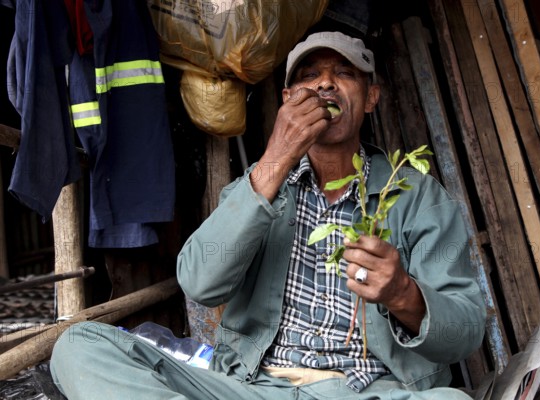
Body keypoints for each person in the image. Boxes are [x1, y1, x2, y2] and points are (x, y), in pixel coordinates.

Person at [50, 31, 486, 399]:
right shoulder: (254, 188)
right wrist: (275, 159)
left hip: (371, 392)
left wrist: (403, 294)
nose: (325, 86)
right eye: (309, 76)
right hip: (255, 389)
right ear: (287, 99)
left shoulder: (417, 196)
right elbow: (200, 282)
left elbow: (465, 333)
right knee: (78, 345)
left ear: (371, 97)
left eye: (345, 74)